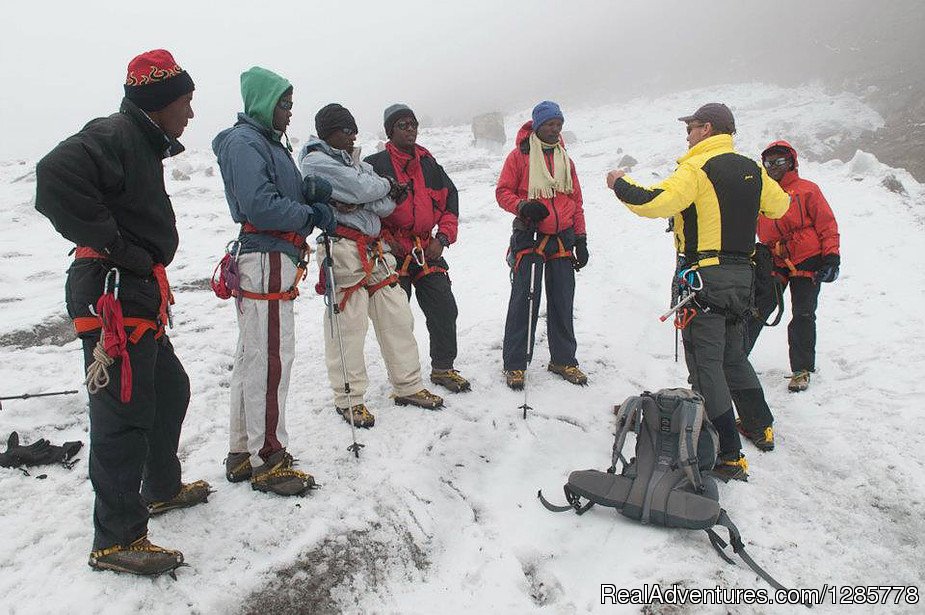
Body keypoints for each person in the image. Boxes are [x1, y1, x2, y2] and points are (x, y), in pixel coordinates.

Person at [35, 49, 207, 575]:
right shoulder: (116, 133)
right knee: (122, 413)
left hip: (136, 291)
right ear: (158, 103)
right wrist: (117, 245)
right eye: (186, 102)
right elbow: (54, 175)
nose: (191, 114)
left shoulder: (141, 142)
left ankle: (159, 487)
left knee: (169, 390)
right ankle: (115, 539)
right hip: (112, 292)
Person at [606, 103, 790, 480]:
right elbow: (779, 206)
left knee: (707, 368)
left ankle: (729, 454)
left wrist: (618, 183)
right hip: (744, 279)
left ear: (706, 129)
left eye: (690, 127)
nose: (687, 134)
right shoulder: (752, 169)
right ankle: (760, 424)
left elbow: (654, 202)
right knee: (733, 357)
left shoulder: (697, 168)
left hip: (704, 281)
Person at [213, 67, 335, 497]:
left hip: (270, 256)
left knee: (253, 357)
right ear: (264, 104)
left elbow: (276, 193)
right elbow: (260, 205)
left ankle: (241, 451)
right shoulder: (247, 143)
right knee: (269, 357)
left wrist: (308, 191)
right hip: (266, 257)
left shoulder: (266, 143)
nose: (289, 111)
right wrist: (309, 215)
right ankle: (270, 457)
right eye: (283, 104)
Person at [299, 104, 443, 428]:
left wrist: (361, 195)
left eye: (354, 130)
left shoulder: (356, 163)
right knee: (348, 325)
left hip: (373, 246)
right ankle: (348, 399)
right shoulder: (314, 160)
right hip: (342, 246)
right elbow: (371, 190)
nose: (353, 137)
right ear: (328, 133)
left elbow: (385, 201)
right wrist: (370, 191)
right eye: (346, 131)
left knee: (396, 314)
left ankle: (408, 385)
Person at [365, 104, 470, 393]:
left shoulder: (430, 165)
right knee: (397, 320)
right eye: (402, 125)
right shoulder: (376, 166)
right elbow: (368, 211)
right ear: (390, 131)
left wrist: (443, 239)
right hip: (391, 253)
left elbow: (450, 204)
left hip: (426, 250)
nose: (410, 129)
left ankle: (443, 369)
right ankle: (405, 380)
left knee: (444, 309)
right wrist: (387, 240)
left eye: (413, 123)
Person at [496, 100, 588, 390]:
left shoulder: (565, 160)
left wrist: (582, 239)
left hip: (563, 238)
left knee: (562, 300)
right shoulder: (519, 157)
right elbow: (502, 192)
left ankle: (563, 359)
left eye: (558, 124)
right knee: (525, 300)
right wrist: (523, 206)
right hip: (531, 236)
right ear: (537, 126)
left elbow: (576, 202)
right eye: (549, 124)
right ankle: (515, 364)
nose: (554, 129)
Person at [746, 140, 841, 392]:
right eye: (768, 162)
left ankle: (801, 370)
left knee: (803, 313)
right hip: (773, 258)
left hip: (807, 259)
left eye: (778, 161)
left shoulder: (808, 190)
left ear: (791, 162)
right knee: (758, 308)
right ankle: (735, 360)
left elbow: (827, 225)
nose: (773, 166)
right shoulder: (760, 194)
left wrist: (831, 257)